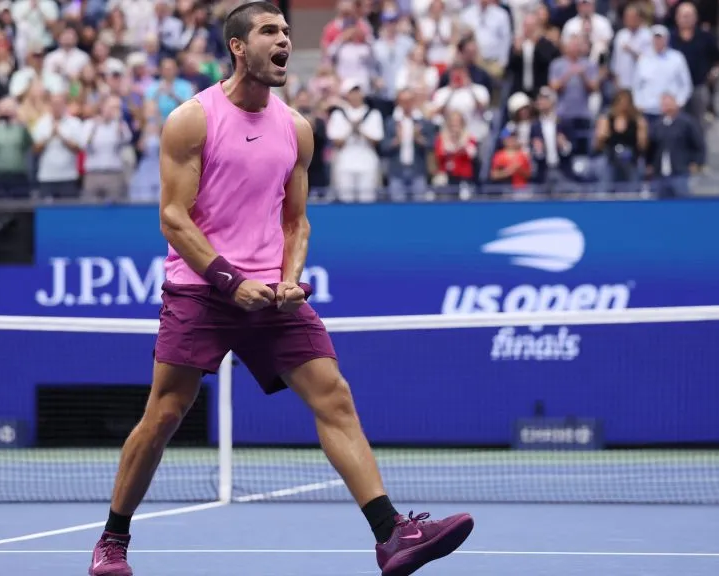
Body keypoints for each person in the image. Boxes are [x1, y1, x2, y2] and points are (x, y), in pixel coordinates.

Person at [87, 4, 474, 576]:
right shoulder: (192, 120)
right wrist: (229, 280)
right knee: (166, 412)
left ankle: (391, 535)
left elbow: (297, 222)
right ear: (239, 47)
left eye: (288, 32)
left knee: (333, 397)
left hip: (270, 294)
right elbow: (173, 218)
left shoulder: (296, 128)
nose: (285, 40)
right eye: (271, 31)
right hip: (201, 289)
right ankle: (112, 541)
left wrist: (289, 278)